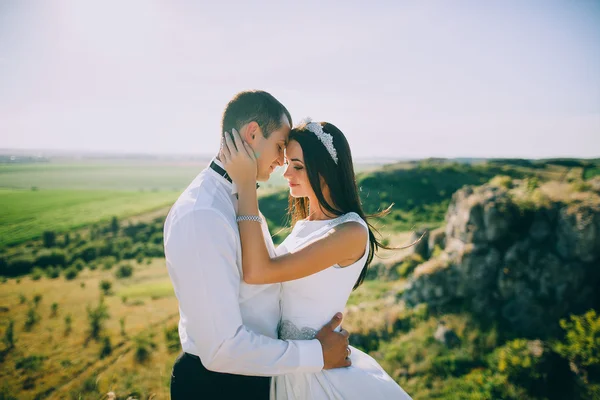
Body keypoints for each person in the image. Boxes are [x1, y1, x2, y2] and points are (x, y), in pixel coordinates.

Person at [164, 92, 351, 400]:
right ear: (253, 133)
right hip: (218, 387)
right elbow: (222, 349)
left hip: (250, 378)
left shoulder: (235, 197)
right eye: (280, 146)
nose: (282, 161)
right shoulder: (203, 215)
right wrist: (316, 355)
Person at [220, 118, 413, 399]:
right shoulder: (303, 226)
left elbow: (259, 271)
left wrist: (246, 184)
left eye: (297, 166)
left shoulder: (350, 232)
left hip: (320, 375)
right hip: (290, 366)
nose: (286, 174)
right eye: (287, 163)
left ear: (327, 171)